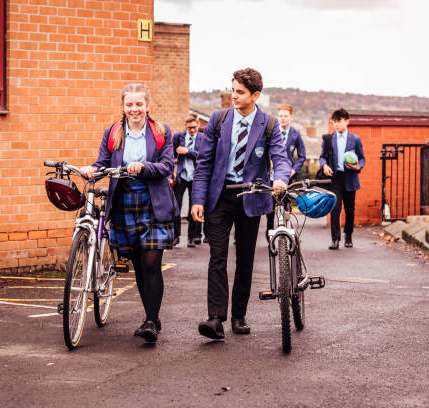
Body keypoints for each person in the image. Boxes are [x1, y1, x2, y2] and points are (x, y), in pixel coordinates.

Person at [191, 67, 292, 339]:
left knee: (245, 259)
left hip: (252, 196)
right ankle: (215, 319)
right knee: (217, 257)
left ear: (255, 95)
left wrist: (280, 178)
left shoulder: (268, 124)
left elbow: (281, 158)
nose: (233, 96)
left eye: (240, 92)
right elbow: (204, 163)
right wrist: (197, 199)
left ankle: (239, 316)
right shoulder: (218, 119)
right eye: (233, 90)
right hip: (220, 196)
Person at [79, 83, 178, 343]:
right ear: (123, 106)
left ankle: (150, 322)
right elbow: (103, 163)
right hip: (123, 203)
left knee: (151, 263)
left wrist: (143, 167)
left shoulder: (161, 131)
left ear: (148, 105)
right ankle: (153, 317)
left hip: (153, 203)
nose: (134, 109)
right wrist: (92, 169)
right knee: (138, 265)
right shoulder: (113, 132)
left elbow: (167, 166)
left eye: (139, 104)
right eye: (129, 105)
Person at [319, 108, 365, 250]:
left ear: (347, 122)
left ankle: (348, 237)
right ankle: (335, 239)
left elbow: (362, 158)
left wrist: (357, 167)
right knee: (335, 208)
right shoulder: (328, 139)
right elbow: (322, 157)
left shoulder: (355, 139)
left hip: (350, 177)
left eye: (339, 121)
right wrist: (324, 165)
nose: (336, 125)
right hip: (335, 178)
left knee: (350, 210)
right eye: (334, 122)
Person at [266, 104, 306, 237]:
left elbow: (302, 156)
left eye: (285, 116)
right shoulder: (272, 132)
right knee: (271, 206)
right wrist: (268, 162)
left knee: (286, 204)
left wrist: (294, 170)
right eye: (280, 116)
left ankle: (287, 230)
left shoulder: (296, 134)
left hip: (288, 175)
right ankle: (269, 230)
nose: (282, 119)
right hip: (271, 175)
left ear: (291, 117)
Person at [172, 113, 204, 248]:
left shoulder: (202, 138)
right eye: (190, 127)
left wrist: (188, 151)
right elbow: (170, 154)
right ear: (185, 126)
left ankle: (194, 237)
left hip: (196, 177)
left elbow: (203, 157)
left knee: (194, 206)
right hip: (181, 177)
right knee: (175, 207)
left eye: (195, 128)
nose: (192, 130)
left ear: (198, 126)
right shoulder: (178, 137)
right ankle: (175, 237)